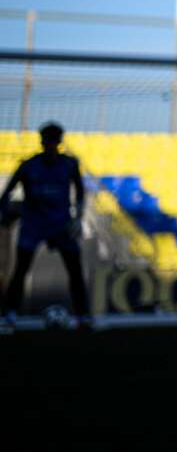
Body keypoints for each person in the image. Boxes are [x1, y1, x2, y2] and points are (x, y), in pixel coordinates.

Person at [0, 123, 92, 333]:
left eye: (54, 141)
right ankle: (10, 315)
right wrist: (7, 212)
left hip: (61, 224)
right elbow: (7, 193)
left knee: (75, 270)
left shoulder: (69, 165)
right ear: (42, 142)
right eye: (47, 141)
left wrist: (78, 218)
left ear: (59, 142)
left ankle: (83, 316)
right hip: (33, 225)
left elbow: (79, 192)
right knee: (21, 269)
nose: (50, 145)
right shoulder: (28, 166)